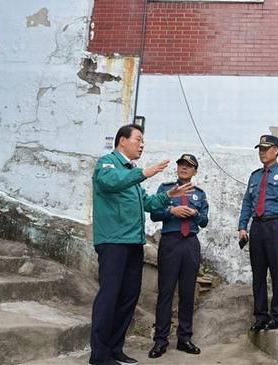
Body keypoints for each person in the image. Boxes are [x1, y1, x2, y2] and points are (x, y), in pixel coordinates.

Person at [90, 124, 192, 365]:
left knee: (128, 297)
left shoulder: (131, 174)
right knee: (109, 296)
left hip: (134, 243)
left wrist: (169, 196)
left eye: (143, 140)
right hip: (113, 242)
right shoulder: (108, 164)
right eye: (138, 139)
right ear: (122, 141)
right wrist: (145, 173)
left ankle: (115, 348)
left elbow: (147, 202)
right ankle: (99, 355)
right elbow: (110, 182)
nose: (142, 144)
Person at [148, 154, 209, 359]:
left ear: (195, 171)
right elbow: (155, 214)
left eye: (189, 166)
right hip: (171, 241)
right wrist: (172, 210)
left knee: (187, 292)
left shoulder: (199, 194)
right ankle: (160, 340)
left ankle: (184, 338)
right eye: (181, 165)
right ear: (177, 169)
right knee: (165, 291)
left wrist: (194, 215)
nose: (184, 168)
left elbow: (204, 221)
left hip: (190, 242)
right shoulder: (165, 189)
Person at [238, 135, 278, 331]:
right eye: (260, 149)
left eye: (266, 148)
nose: (262, 152)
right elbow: (247, 202)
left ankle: (277, 315)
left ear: (277, 150)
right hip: (257, 226)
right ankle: (260, 315)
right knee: (258, 273)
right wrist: (242, 227)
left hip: (277, 225)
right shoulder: (254, 176)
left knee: (277, 272)